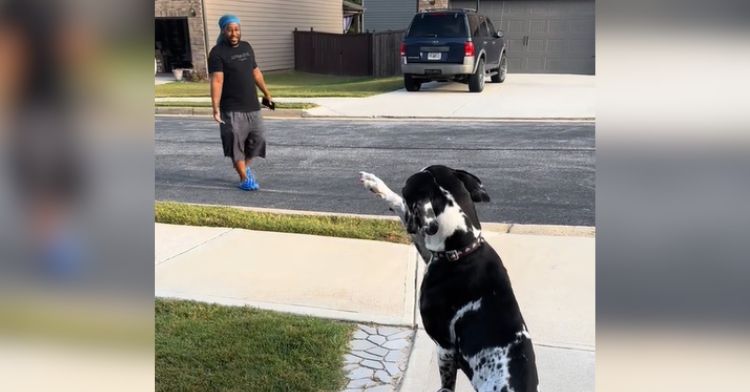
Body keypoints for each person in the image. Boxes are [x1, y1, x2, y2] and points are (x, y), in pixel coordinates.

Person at [208, 14, 272, 191]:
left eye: (236, 29)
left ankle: (245, 166)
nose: (233, 33)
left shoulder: (247, 47)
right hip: (231, 108)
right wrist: (215, 108)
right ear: (223, 31)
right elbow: (217, 82)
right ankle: (244, 178)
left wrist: (267, 93)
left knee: (258, 140)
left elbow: (256, 73)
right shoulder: (217, 52)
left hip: (252, 105)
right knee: (235, 145)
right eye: (229, 29)